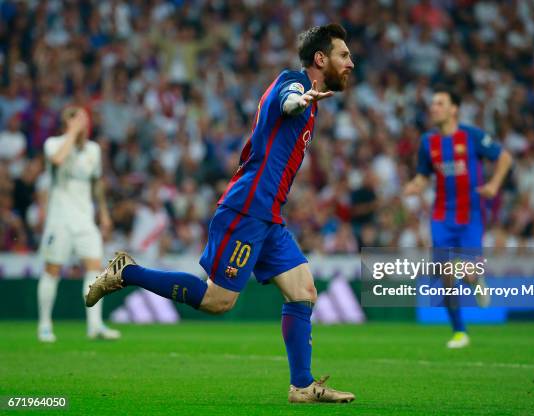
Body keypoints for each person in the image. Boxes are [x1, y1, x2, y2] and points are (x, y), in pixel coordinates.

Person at [86, 24, 355, 403]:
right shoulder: (293, 83)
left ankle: (302, 386)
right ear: (320, 59)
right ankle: (127, 272)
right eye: (344, 55)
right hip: (246, 209)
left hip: (268, 216)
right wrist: (301, 99)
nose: (351, 63)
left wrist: (305, 103)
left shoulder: (309, 101)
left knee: (304, 292)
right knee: (218, 301)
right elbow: (287, 100)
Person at [404, 87, 513, 348]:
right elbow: (423, 174)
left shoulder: (471, 136)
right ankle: (459, 332)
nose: (434, 108)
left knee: (463, 268)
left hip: (471, 215)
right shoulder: (428, 142)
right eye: (432, 103)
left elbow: (505, 158)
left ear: (454, 109)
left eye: (440, 103)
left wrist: (494, 185)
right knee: (444, 274)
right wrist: (415, 185)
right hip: (441, 215)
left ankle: (475, 278)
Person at [38, 107, 120, 342]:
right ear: (68, 123)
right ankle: (45, 325)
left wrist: (103, 213)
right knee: (52, 269)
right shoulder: (53, 144)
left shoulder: (93, 149)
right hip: (59, 219)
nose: (84, 124)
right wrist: (71, 134)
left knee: (95, 268)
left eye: (85, 120)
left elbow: (96, 183)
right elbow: (57, 160)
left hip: (85, 219)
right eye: (79, 120)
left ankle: (95, 326)